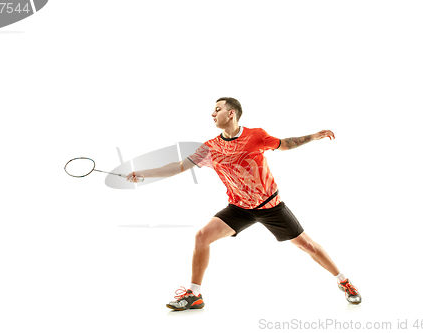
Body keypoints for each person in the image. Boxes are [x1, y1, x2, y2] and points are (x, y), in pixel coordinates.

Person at [127, 97, 361, 310]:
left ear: (231, 114)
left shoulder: (256, 135)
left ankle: (344, 282)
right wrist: (145, 173)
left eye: (217, 109)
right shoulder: (209, 147)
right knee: (202, 236)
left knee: (307, 245)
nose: (212, 114)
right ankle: (194, 295)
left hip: (271, 207)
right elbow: (179, 167)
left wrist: (313, 136)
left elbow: (284, 144)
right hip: (239, 208)